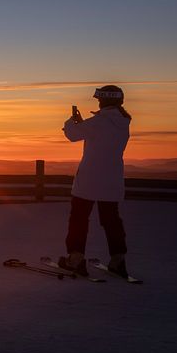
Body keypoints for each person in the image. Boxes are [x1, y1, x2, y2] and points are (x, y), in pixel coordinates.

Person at [59, 85, 132, 277]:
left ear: (105, 101)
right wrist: (84, 124)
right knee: (111, 221)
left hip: (89, 181)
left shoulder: (99, 121)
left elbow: (72, 134)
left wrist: (71, 121)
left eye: (100, 99)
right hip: (112, 180)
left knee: (79, 219)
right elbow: (98, 135)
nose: (98, 102)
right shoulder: (123, 123)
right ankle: (118, 260)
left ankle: (75, 259)